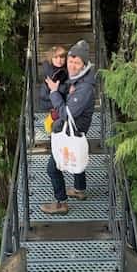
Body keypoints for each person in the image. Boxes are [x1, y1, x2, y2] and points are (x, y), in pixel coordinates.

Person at [41, 38, 96, 215]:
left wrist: (54, 92)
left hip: (72, 128)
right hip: (77, 129)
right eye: (70, 60)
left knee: (53, 167)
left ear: (84, 64)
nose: (71, 65)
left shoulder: (85, 87)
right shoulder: (77, 79)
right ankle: (79, 190)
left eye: (76, 62)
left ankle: (61, 203)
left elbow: (68, 114)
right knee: (76, 152)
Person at [39, 45, 68, 111]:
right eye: (55, 57)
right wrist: (58, 88)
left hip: (61, 105)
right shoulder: (48, 69)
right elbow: (45, 93)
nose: (59, 60)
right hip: (49, 104)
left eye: (62, 57)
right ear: (51, 59)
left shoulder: (68, 69)